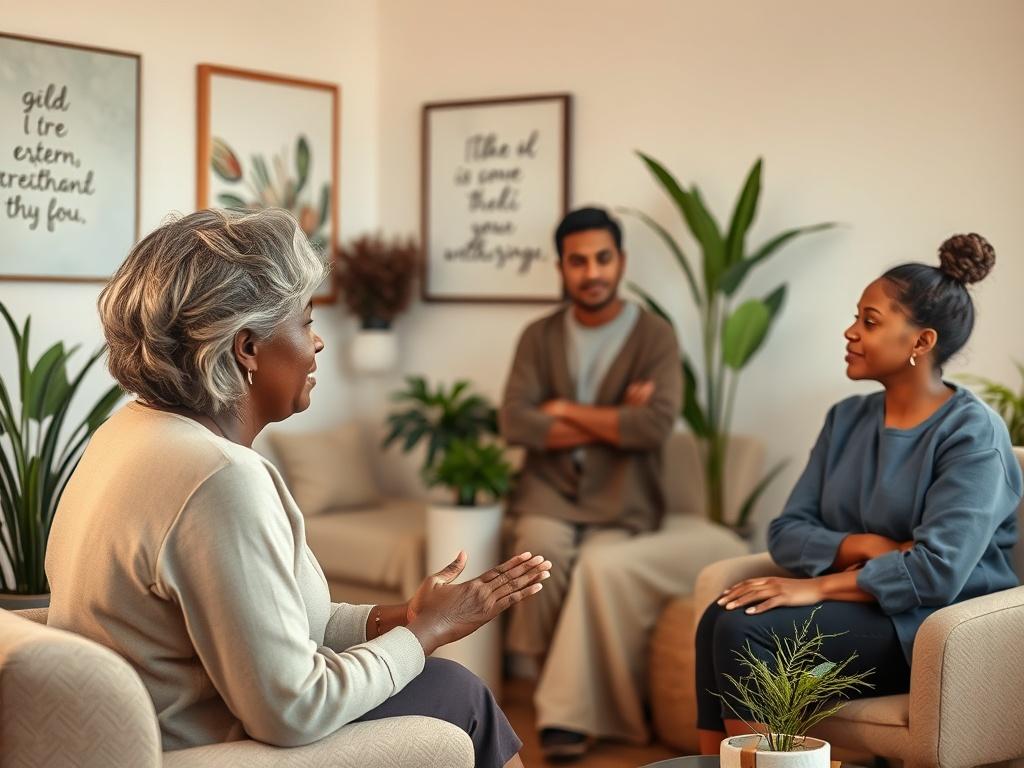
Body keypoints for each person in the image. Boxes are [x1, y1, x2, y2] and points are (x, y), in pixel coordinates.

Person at [45, 208, 551, 768]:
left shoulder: (129, 433)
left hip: (146, 731)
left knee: (449, 683)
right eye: (306, 323)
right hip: (204, 749)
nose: (317, 346)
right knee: (458, 695)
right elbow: (291, 710)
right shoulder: (217, 480)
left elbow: (279, 626)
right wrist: (427, 634)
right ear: (247, 349)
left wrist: (405, 616)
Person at [695, 233, 1022, 754]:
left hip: (934, 628)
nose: (851, 331)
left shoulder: (972, 434)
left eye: (870, 322)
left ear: (921, 342)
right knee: (719, 615)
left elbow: (936, 572)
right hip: (866, 604)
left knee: (743, 631)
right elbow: (787, 532)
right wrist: (868, 546)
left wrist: (816, 588)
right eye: (857, 317)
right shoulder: (846, 419)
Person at [501, 206, 692, 758]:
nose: (592, 272)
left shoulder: (655, 336)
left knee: (597, 574)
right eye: (578, 261)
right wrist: (612, 418)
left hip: (624, 499)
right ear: (561, 267)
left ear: (621, 261)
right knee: (537, 557)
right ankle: (556, 703)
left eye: (603, 258)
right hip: (548, 492)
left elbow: (653, 427)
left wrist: (563, 410)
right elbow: (516, 421)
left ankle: (573, 713)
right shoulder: (538, 336)